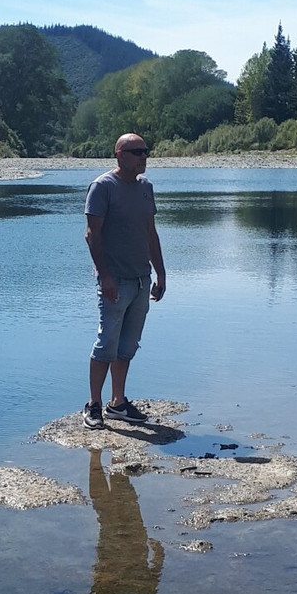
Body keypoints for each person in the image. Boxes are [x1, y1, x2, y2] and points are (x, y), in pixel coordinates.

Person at [83, 133, 166, 429]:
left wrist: (161, 272)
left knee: (128, 345)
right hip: (115, 279)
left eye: (146, 151)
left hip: (141, 279)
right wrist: (105, 276)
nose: (144, 156)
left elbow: (150, 232)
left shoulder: (145, 188)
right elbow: (92, 234)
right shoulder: (103, 187)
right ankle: (93, 405)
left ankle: (117, 403)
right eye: (137, 151)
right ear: (119, 154)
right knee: (107, 343)